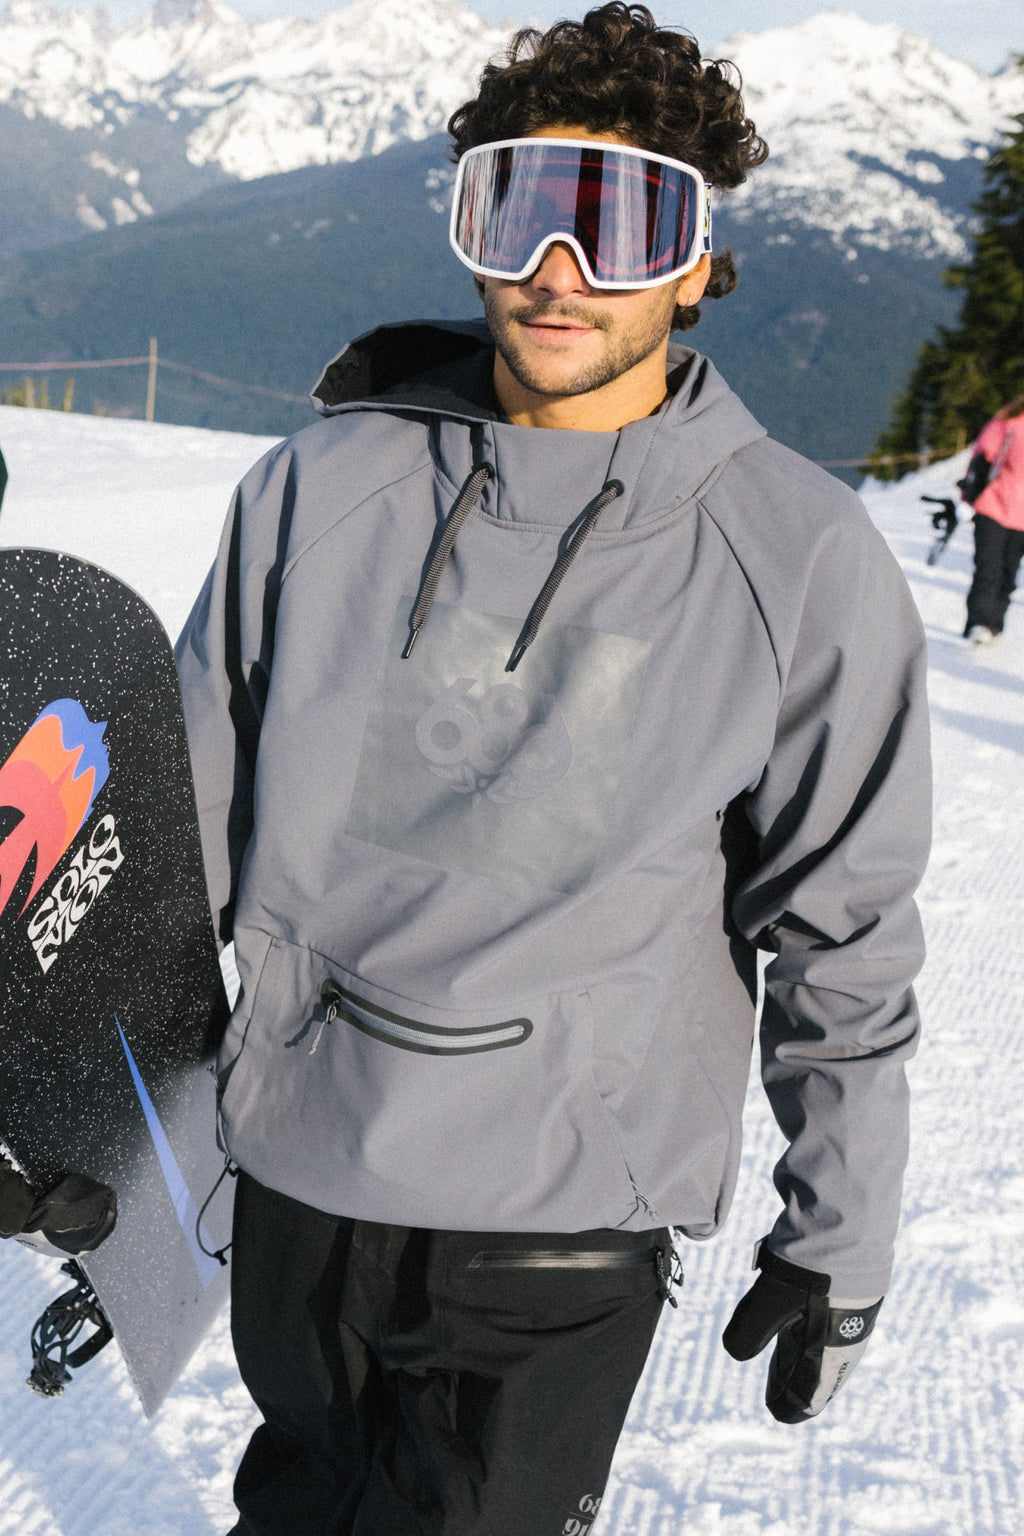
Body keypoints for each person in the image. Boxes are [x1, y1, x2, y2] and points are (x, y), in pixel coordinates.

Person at [174, 7, 931, 1532]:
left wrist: (838, 1231)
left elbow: (844, 930)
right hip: (307, 1177)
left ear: (701, 262)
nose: (561, 268)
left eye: (628, 221)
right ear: (471, 230)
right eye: (521, 209)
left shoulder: (794, 556)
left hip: (559, 1222)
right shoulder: (320, 489)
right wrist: (83, 1111)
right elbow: (175, 824)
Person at [961, 392, 1024, 645]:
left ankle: (995, 623)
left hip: (1021, 519)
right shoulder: (1009, 421)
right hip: (994, 506)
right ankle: (979, 623)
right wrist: (970, 493)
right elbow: (982, 455)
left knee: (1009, 572)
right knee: (989, 567)